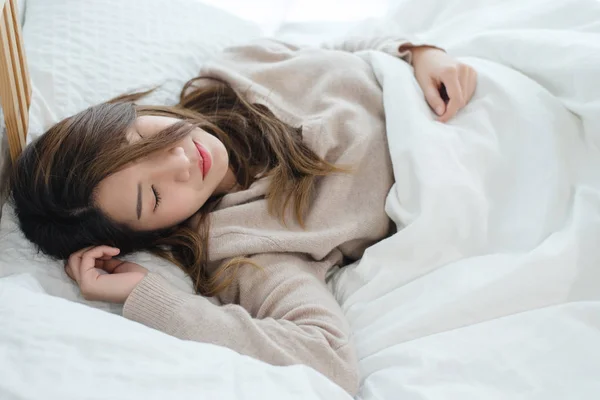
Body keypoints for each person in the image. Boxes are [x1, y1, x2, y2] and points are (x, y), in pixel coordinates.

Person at [10, 36, 477, 395]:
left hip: (456, 86)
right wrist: (148, 297)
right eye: (152, 196)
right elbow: (327, 357)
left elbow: (349, 47)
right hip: (467, 161)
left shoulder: (230, 73)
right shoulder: (243, 246)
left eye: (141, 139)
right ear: (148, 234)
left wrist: (419, 52)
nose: (178, 161)